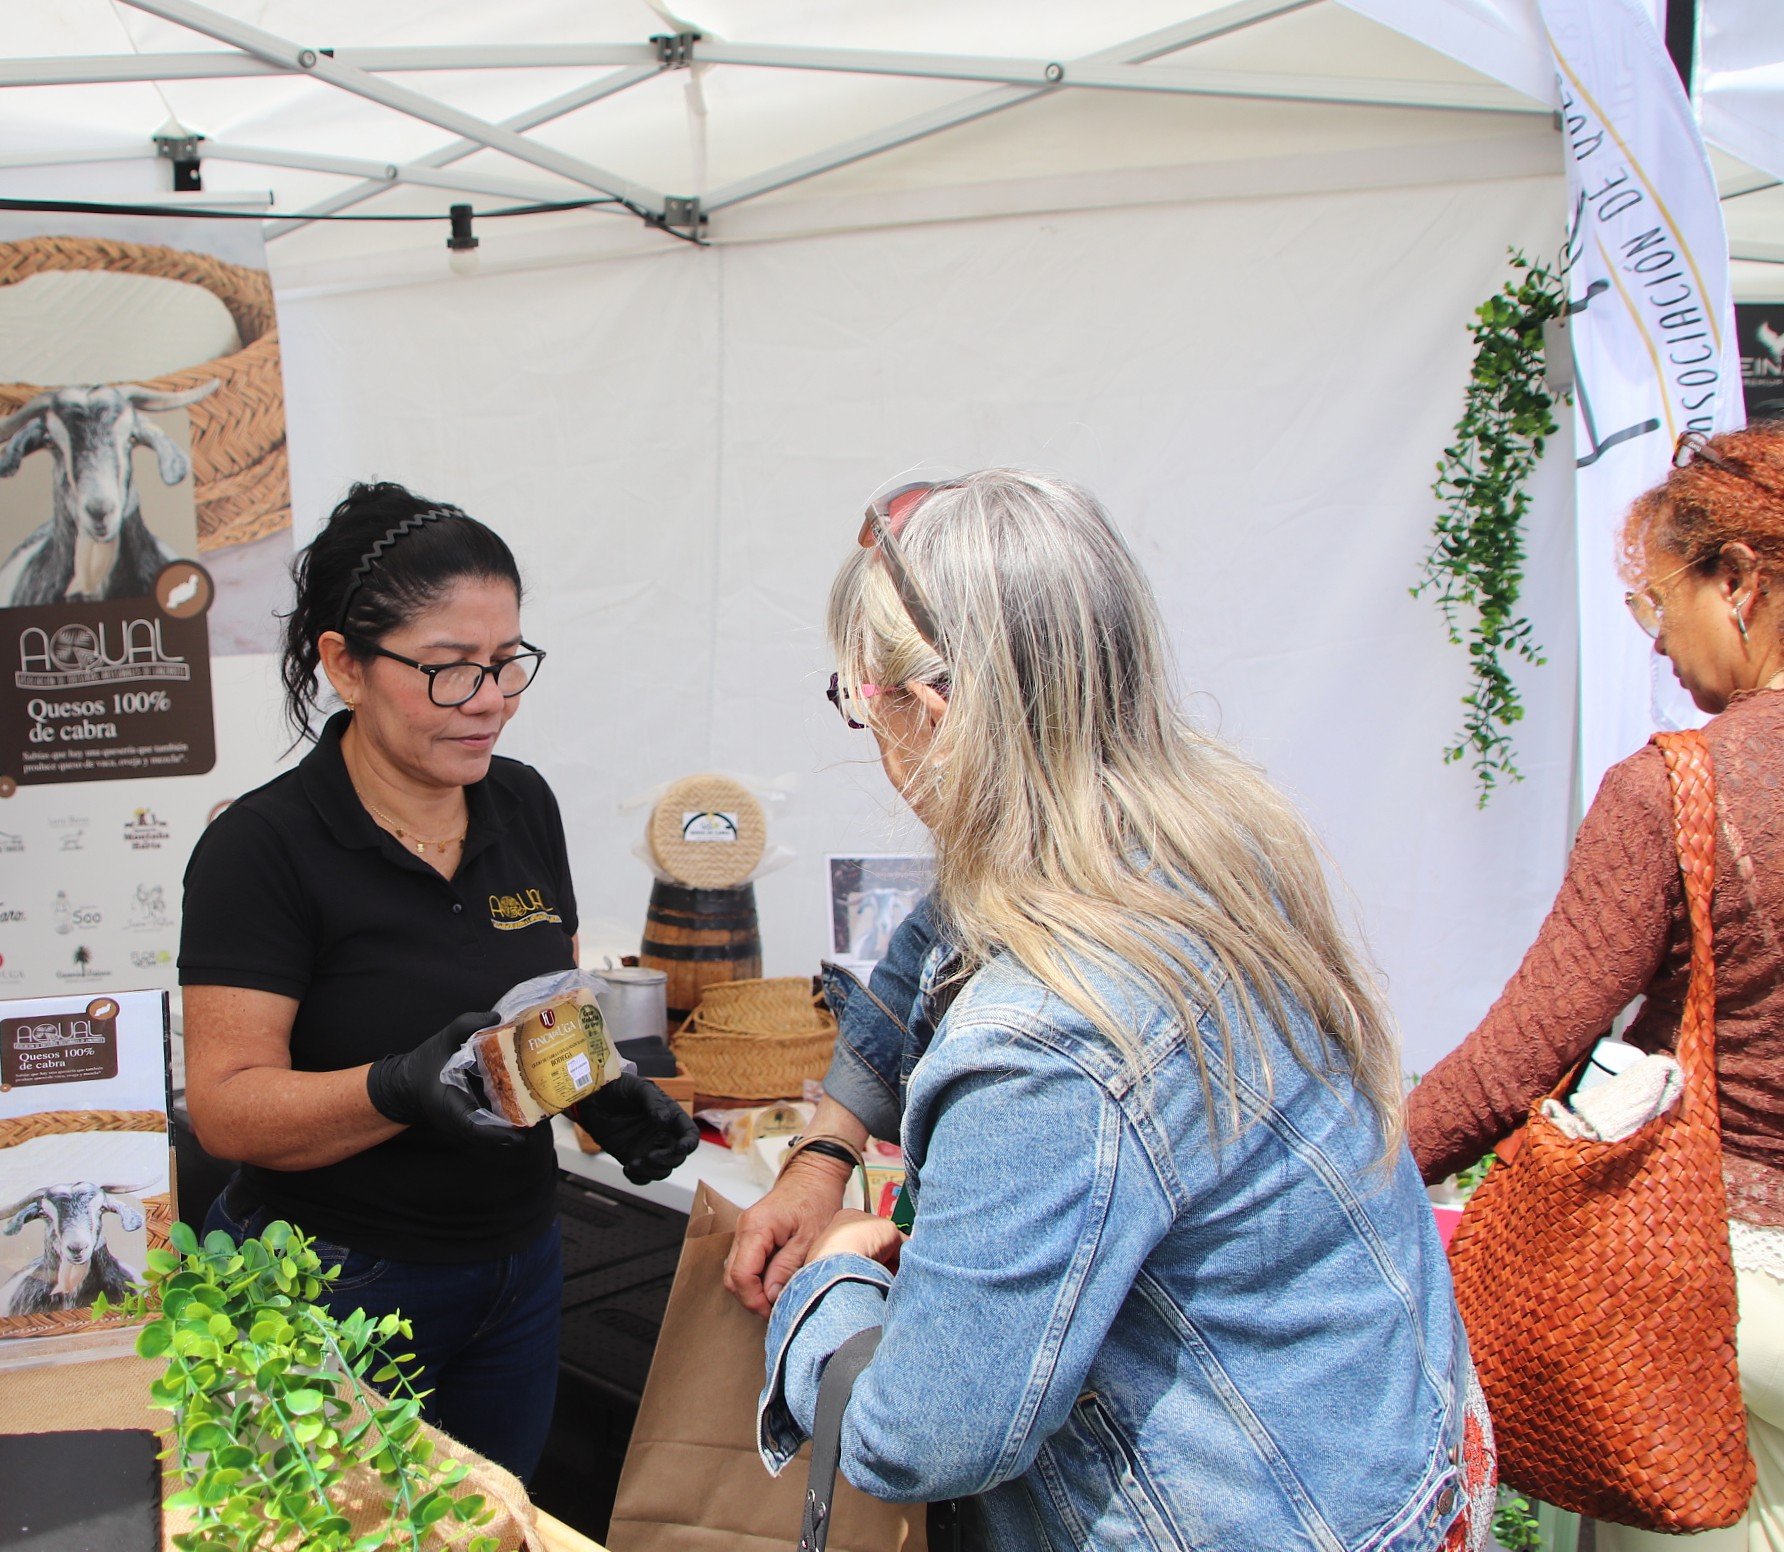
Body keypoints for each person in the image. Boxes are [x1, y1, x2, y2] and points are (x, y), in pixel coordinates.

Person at [752, 469, 1489, 1550]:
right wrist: (825, 1148)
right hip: (1371, 1470)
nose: (865, 731)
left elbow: (923, 1434)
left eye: (858, 698)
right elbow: (935, 937)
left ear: (936, 708)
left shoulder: (1050, 1031)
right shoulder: (1205, 833)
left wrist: (830, 1290)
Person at [177, 481, 696, 1479]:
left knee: (492, 1528)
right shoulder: (263, 848)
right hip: (325, 1282)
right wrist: (401, 1086)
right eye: (452, 671)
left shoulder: (521, 801)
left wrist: (599, 1087)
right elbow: (229, 1109)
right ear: (344, 666)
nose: (491, 698)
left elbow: (540, 1010)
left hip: (518, 1270)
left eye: (506, 663)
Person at [1410, 426, 1784, 1552]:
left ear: (1740, 579)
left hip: (1723, 1298)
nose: (1658, 641)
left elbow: (1516, 1061)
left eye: (1658, 600)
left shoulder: (1683, 787)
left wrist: (1339, 1178)